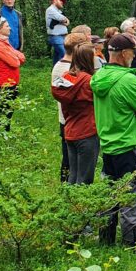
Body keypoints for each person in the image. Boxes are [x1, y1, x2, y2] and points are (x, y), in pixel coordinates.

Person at [92, 33, 136, 246]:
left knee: (109, 195)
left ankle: (106, 241)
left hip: (108, 147)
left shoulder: (98, 77)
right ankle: (132, 245)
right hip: (130, 147)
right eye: (133, 52)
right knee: (133, 197)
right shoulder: (129, 80)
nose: (134, 56)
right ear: (123, 53)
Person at [52, 44, 100, 184]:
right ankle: (80, 205)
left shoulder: (66, 77)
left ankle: (69, 203)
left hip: (70, 130)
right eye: (94, 56)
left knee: (73, 174)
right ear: (88, 59)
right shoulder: (89, 81)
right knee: (85, 178)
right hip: (87, 132)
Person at [0, 16, 25, 131]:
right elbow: (15, 62)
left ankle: (3, 136)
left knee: (8, 112)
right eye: (7, 26)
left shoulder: (4, 43)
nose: (10, 28)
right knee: (4, 113)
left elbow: (21, 57)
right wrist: (16, 56)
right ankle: (1, 136)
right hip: (4, 83)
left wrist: (16, 56)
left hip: (11, 82)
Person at [46, 0, 70, 65]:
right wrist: (63, 20)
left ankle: (55, 74)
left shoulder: (58, 11)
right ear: (55, 1)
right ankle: (65, 73)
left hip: (63, 37)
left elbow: (67, 21)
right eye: (60, 1)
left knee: (57, 58)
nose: (62, 2)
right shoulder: (50, 9)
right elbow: (63, 19)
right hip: (56, 37)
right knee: (65, 55)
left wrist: (64, 21)